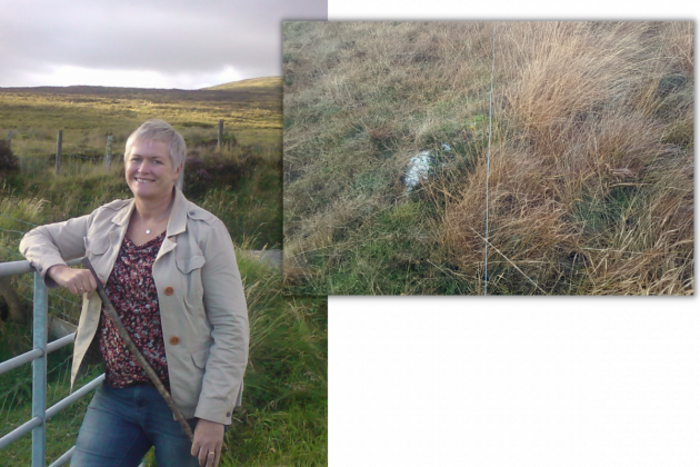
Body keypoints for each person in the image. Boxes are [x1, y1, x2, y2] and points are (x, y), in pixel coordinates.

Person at [19, 119, 249, 467]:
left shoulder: (207, 231)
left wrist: (215, 414)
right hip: (117, 396)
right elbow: (36, 237)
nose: (144, 169)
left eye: (156, 161)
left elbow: (231, 327)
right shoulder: (104, 220)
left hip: (183, 403)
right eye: (136, 159)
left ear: (177, 170)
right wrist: (60, 270)